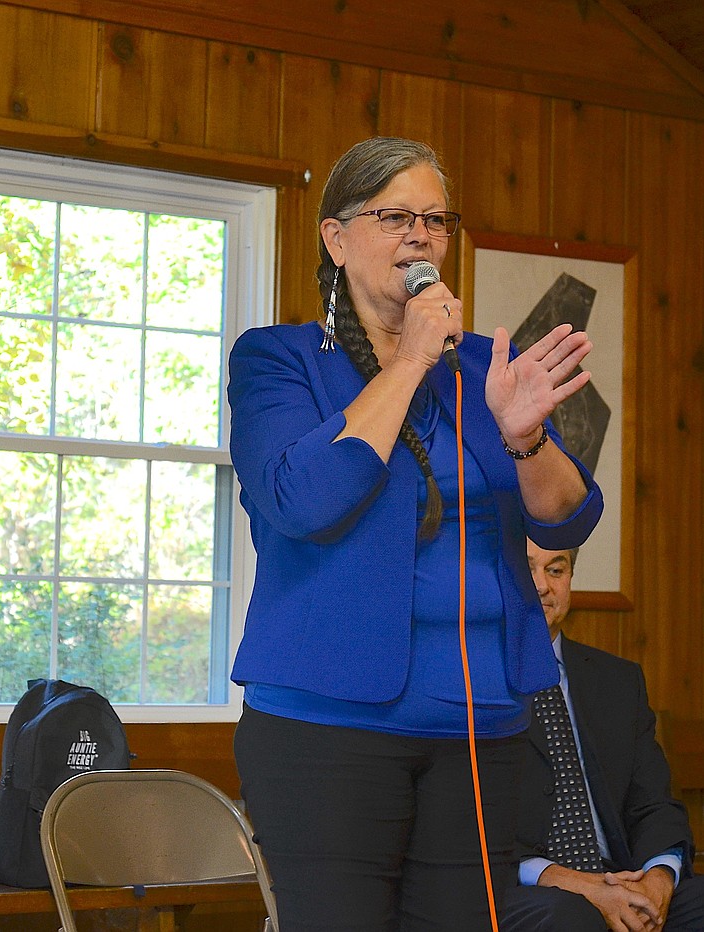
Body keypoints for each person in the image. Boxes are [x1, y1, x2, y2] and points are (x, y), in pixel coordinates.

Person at [227, 136, 605, 931]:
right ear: (336, 238)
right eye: (395, 216)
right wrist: (406, 362)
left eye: (435, 220)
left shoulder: (484, 367)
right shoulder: (279, 360)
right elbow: (303, 500)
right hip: (327, 730)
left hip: (482, 725)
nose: (420, 236)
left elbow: (569, 516)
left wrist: (525, 437)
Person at [499, 540, 704, 931]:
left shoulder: (618, 682)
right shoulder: (469, 685)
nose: (542, 585)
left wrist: (659, 877)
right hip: (526, 883)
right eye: (527, 570)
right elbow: (466, 826)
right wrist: (580, 885)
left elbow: (654, 804)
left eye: (556, 570)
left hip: (622, 876)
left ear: (571, 579)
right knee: (571, 916)